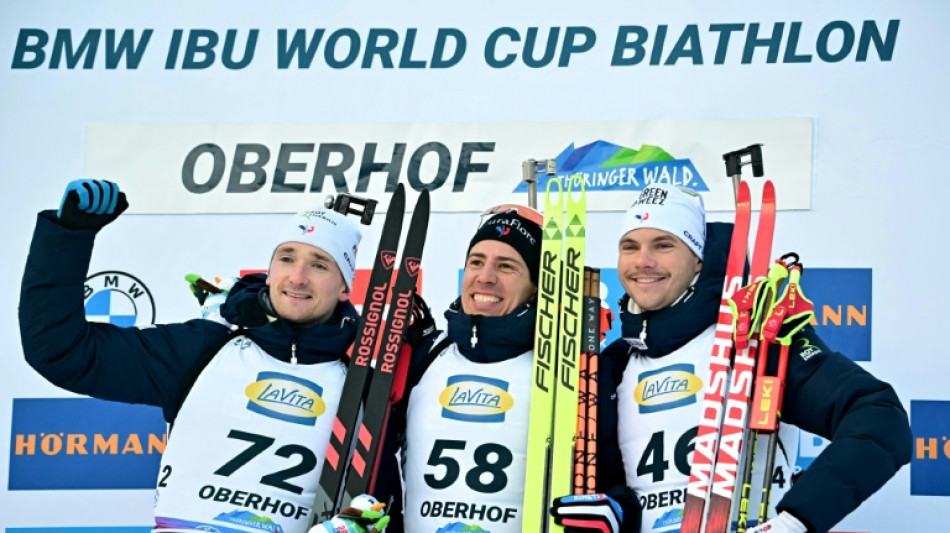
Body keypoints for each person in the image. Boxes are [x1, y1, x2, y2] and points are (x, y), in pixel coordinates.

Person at [18, 179, 388, 533]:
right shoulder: (205, 347)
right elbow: (61, 350)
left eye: (319, 265)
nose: (297, 277)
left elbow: (382, 504)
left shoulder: (365, 383)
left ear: (345, 286)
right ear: (270, 269)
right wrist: (68, 237)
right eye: (286, 258)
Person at [551, 183, 912, 533]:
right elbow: (619, 491)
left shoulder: (758, 341)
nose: (643, 262)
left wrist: (791, 522)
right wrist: (616, 512)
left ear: (697, 261)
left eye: (663, 245)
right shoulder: (614, 366)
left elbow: (880, 419)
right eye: (630, 246)